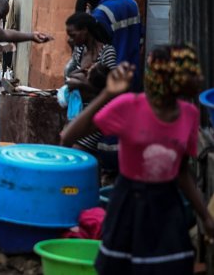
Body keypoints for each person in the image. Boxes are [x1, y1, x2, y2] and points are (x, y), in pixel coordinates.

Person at [60, 46, 214, 274]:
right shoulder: (129, 106)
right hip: (130, 203)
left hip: (167, 205)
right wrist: (107, 94)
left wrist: (205, 216)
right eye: (192, 73)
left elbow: (181, 171)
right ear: (171, 77)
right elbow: (68, 136)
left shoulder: (189, 114)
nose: (199, 78)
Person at [63, 12, 117, 158]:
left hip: (99, 112)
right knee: (65, 144)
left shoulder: (107, 53)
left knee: (76, 152)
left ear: (85, 31)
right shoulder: (79, 51)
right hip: (79, 111)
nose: (70, 39)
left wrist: (82, 85)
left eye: (73, 35)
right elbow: (69, 75)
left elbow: (112, 90)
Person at [91, 0, 143, 91]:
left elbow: (99, 50)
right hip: (134, 72)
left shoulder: (100, 13)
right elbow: (140, 37)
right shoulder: (132, 3)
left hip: (114, 76)